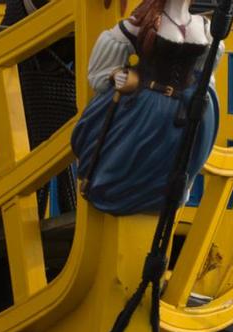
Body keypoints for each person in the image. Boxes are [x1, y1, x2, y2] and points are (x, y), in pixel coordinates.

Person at [73, 0, 222, 215]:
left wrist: (202, 96)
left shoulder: (204, 27)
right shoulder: (142, 23)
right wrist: (118, 75)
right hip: (148, 109)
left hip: (186, 111)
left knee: (178, 170)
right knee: (128, 166)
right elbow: (102, 68)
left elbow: (206, 73)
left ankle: (170, 197)